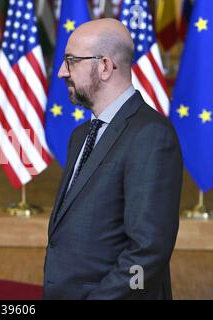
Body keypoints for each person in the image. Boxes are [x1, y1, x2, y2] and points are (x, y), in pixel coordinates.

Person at [44, 18, 183, 299]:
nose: (61, 72)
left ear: (105, 66)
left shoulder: (151, 135)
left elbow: (148, 254)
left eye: (71, 61)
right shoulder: (81, 135)